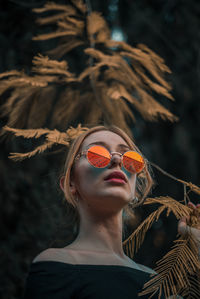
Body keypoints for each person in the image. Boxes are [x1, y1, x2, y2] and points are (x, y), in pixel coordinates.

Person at [23, 125, 200, 299]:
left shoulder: (158, 283)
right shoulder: (56, 264)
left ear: (135, 190)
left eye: (130, 159)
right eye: (97, 154)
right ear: (70, 184)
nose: (117, 161)